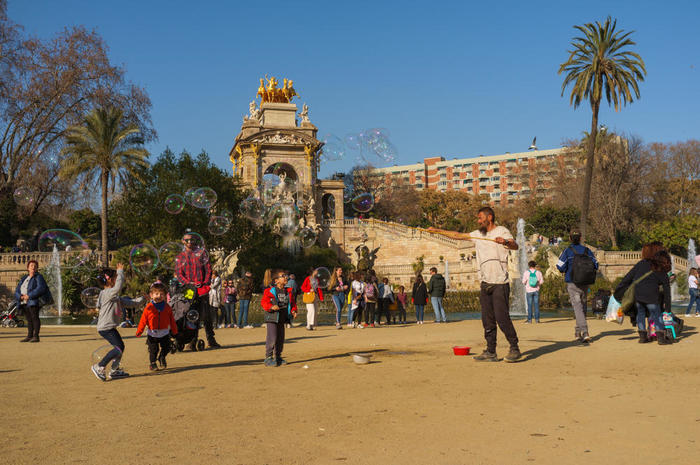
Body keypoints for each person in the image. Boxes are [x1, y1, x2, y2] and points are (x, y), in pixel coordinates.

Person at [615, 249, 674, 344]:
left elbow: (629, 277)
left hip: (638, 294)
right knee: (657, 315)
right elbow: (667, 291)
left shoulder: (643, 263)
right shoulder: (661, 270)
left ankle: (642, 337)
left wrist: (618, 291)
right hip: (651, 296)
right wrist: (668, 308)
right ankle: (660, 338)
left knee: (640, 314)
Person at [175, 233, 220, 348]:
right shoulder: (180, 256)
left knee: (205, 313)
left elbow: (208, 269)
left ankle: (210, 338)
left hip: (201, 288)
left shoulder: (201, 253)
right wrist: (188, 283)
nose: (190, 242)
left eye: (192, 240)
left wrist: (205, 283)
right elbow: (179, 274)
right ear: (183, 241)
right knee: (189, 312)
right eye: (187, 240)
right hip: (189, 289)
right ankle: (190, 338)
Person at [555, 230, 598, 343]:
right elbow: (596, 264)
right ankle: (578, 331)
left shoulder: (567, 251)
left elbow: (559, 267)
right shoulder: (587, 250)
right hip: (585, 282)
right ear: (580, 238)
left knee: (577, 307)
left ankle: (585, 332)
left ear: (570, 238)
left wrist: (566, 269)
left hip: (572, 282)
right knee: (582, 306)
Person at [91, 264, 130, 381]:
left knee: (120, 346)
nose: (117, 279)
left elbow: (128, 302)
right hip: (105, 327)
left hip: (108, 327)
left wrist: (144, 300)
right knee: (118, 347)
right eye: (116, 277)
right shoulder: (108, 293)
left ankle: (114, 370)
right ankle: (100, 366)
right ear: (109, 279)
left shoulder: (111, 294)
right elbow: (118, 288)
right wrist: (121, 271)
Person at [135, 282, 178, 370]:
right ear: (151, 295)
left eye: (162, 294)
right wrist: (139, 331)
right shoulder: (149, 307)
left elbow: (172, 320)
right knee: (153, 350)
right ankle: (153, 363)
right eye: (157, 294)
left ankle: (161, 357)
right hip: (152, 333)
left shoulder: (167, 307)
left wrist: (175, 331)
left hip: (164, 332)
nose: (159, 296)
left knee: (167, 347)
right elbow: (143, 320)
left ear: (165, 295)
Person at [261, 269, 297, 366]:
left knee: (280, 338)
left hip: (282, 317)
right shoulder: (270, 291)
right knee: (272, 337)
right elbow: (264, 302)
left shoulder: (288, 291)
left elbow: (292, 303)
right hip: (272, 318)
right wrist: (271, 307)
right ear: (276, 280)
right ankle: (268, 358)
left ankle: (278, 357)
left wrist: (293, 310)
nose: (286, 277)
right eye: (283, 276)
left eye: (286, 276)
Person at [15, 259, 49, 343]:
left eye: (35, 266)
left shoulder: (38, 277)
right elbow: (17, 290)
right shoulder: (24, 278)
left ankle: (36, 336)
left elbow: (41, 288)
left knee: (34, 318)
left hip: (33, 301)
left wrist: (29, 296)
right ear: (28, 268)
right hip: (23, 301)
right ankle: (29, 336)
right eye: (31, 266)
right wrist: (20, 296)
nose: (33, 267)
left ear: (37, 268)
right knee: (29, 319)